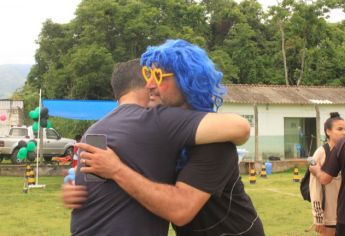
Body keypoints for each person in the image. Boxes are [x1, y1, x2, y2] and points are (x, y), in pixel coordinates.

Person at [77, 39, 265, 235]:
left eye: (158, 76)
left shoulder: (215, 142)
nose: (149, 85)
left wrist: (116, 170)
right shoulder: (158, 129)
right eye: (148, 75)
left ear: (187, 79)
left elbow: (180, 209)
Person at [310, 104, 345, 236]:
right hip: (331, 217)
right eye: (339, 129)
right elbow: (315, 188)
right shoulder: (320, 154)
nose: (344, 132)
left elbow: (325, 178)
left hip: (344, 216)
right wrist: (318, 217)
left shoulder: (344, 145)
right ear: (328, 131)